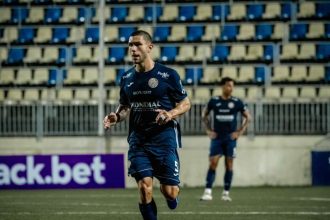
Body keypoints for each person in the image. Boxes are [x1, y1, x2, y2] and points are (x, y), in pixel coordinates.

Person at [103, 30, 191, 220]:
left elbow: (185, 103)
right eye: (130, 45)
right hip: (139, 141)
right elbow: (125, 106)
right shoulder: (126, 78)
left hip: (164, 140)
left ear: (149, 47)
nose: (133, 49)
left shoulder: (168, 75)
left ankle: (171, 195)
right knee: (144, 187)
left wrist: (170, 114)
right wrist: (116, 117)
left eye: (137, 44)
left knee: (170, 192)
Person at [200, 77, 251, 201]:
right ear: (223, 86)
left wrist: (239, 132)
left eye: (232, 86)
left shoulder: (237, 102)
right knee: (213, 163)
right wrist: (208, 130)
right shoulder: (214, 100)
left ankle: (226, 193)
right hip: (217, 137)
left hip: (230, 138)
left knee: (229, 165)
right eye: (228, 85)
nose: (231, 88)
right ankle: (207, 192)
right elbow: (204, 114)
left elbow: (248, 117)